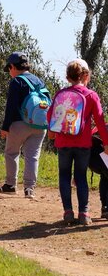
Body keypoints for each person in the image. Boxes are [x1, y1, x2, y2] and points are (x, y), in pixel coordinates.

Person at [46, 59, 108, 225]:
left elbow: (50, 115)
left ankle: (67, 212)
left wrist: (51, 132)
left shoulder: (60, 94)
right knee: (81, 176)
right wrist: (107, 144)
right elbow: (100, 121)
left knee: (64, 175)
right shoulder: (91, 95)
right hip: (83, 143)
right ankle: (84, 213)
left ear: (68, 78)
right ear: (85, 76)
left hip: (63, 142)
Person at [0, 52, 50, 198]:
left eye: (9, 68)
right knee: (32, 156)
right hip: (40, 125)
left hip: (19, 124)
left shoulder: (16, 81)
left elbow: (11, 106)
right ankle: (29, 188)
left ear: (13, 66)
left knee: (12, 153)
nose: (9, 72)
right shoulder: (39, 81)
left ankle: (10, 184)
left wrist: (5, 127)